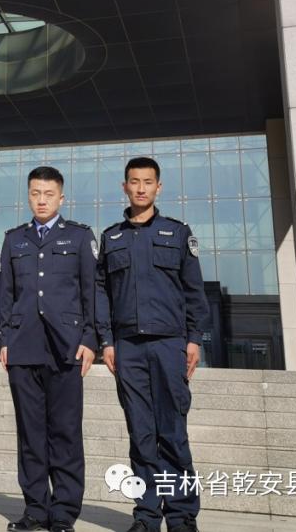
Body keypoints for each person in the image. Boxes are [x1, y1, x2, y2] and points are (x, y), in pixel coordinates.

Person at [96, 157, 210, 532]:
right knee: (140, 433)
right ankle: (146, 515)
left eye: (148, 182)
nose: (141, 188)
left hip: (169, 345)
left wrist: (194, 339)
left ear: (158, 187)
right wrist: (106, 341)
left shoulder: (177, 233)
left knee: (173, 433)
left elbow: (194, 291)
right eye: (134, 181)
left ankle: (181, 516)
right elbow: (101, 293)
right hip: (127, 347)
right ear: (124, 187)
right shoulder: (111, 238)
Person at [0, 166, 98, 532]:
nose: (42, 200)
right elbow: (5, 295)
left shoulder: (79, 237)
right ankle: (36, 510)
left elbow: (91, 291)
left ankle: (64, 514)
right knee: (31, 434)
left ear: (61, 198)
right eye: (35, 193)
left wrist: (90, 339)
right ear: (28, 196)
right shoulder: (14, 239)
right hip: (23, 346)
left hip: (66, 347)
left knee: (65, 432)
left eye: (49, 194)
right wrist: (3, 339)